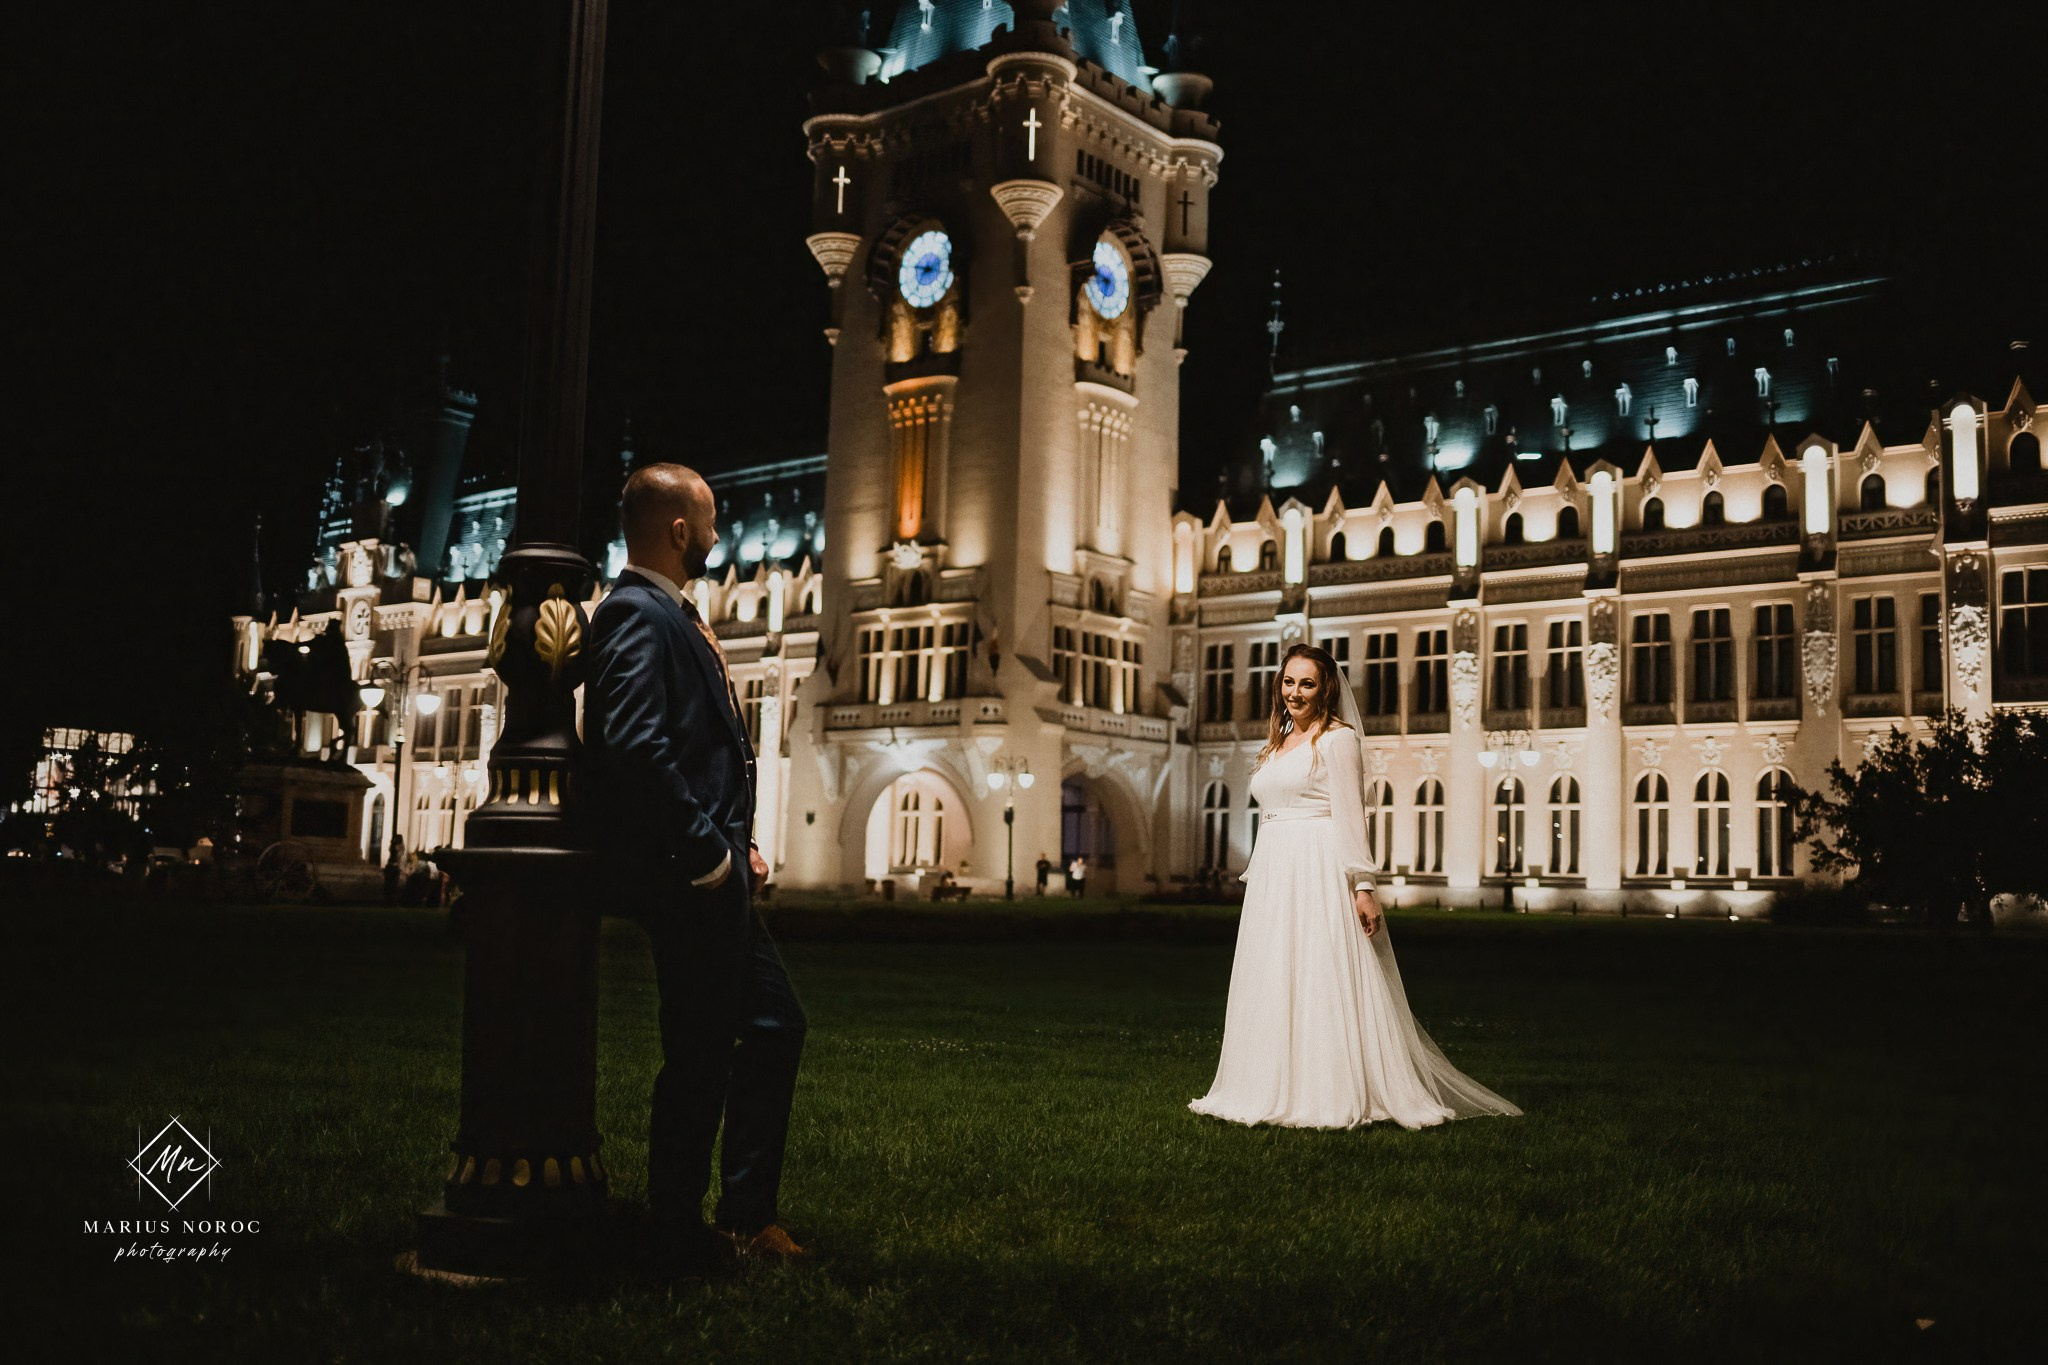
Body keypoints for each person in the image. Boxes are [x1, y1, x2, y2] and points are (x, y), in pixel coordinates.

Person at [583, 463, 809, 1271]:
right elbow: (634, 747)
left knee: (722, 1043)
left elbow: (689, 749)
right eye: (710, 518)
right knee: (725, 1043)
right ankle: (698, 1222)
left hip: (708, 869)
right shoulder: (637, 615)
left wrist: (733, 837)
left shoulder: (664, 612)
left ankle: (700, 1220)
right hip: (687, 880)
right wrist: (709, 852)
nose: (719, 531)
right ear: (679, 529)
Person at [1190, 643, 1521, 1130]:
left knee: (1322, 972)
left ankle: (1333, 1087)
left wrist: (1362, 884)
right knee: (1275, 973)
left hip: (1318, 866)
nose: (1295, 692)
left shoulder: (1338, 739)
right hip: (1276, 872)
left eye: (1306, 683)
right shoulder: (1278, 742)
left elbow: (1351, 813)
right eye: (1288, 681)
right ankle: (1264, 1081)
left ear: (1325, 688)